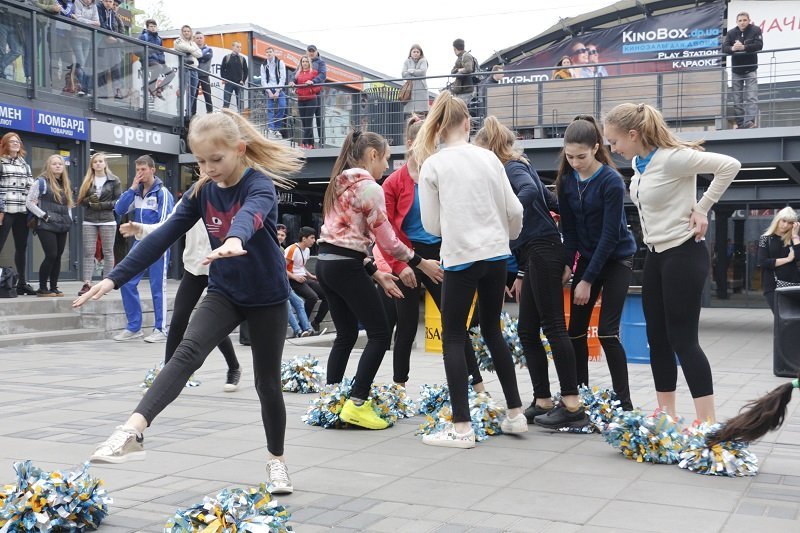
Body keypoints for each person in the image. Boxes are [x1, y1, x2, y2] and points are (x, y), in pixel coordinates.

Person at [73, 109, 303, 495]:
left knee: (267, 384)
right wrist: (114, 277)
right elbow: (161, 237)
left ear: (239, 149)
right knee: (185, 352)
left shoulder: (258, 185)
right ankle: (132, 431)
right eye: (200, 161)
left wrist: (234, 239)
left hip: (267, 298)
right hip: (225, 291)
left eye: (216, 159)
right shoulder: (201, 193)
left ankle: (277, 462)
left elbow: (250, 215)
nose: (209, 168)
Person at [603, 103, 740, 423]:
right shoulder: (639, 162)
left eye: (615, 141)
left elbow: (730, 165)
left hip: (683, 253)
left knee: (683, 339)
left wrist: (703, 207)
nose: (613, 148)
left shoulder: (674, 157)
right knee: (657, 338)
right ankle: (667, 415)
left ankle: (706, 422)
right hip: (655, 255)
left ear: (633, 134)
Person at [414, 92, 527, 448]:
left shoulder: (432, 165)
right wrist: (503, 238)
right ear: (467, 124)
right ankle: (515, 413)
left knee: (454, 335)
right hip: (496, 255)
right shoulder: (490, 158)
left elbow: (431, 225)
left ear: (438, 126)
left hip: (460, 256)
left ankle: (462, 427)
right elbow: (515, 210)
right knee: (493, 329)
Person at [317, 130, 442, 430]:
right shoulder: (370, 188)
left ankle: (330, 400)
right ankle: (358, 402)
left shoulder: (338, 183)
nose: (386, 166)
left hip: (325, 264)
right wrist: (420, 262)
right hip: (347, 267)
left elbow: (342, 239)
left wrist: (376, 272)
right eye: (385, 158)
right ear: (372, 155)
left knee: (346, 335)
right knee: (380, 334)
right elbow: (388, 241)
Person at [474, 116, 587, 430]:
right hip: (532, 252)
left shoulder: (512, 168)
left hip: (542, 249)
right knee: (527, 330)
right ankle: (542, 400)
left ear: (488, 150)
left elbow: (529, 194)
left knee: (553, 326)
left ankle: (572, 404)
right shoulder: (517, 167)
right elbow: (549, 200)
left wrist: (504, 216)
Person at [381, 115, 485, 390]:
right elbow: (385, 231)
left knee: (454, 324)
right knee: (404, 327)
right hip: (407, 255)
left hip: (440, 255)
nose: (432, 149)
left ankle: (478, 387)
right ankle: (398, 388)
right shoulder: (393, 183)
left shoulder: (440, 175)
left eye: (435, 143)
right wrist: (401, 265)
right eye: (427, 143)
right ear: (411, 143)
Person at [554, 116, 636, 411]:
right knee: (574, 331)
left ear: (596, 148)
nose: (575, 162)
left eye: (582, 156)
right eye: (570, 156)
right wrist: (568, 265)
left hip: (616, 259)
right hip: (588, 258)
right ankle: (580, 398)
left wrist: (586, 280)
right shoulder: (566, 181)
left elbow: (609, 236)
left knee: (606, 333)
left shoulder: (611, 181)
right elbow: (571, 232)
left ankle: (624, 404)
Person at [119, 199, 243, 392]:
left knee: (212, 324)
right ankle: (166, 379)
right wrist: (141, 228)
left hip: (218, 269)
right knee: (178, 320)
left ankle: (234, 367)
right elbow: (168, 226)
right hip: (193, 268)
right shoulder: (192, 198)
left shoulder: (226, 199)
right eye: (202, 168)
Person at [113, 155, 174, 343]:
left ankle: (160, 329)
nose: (140, 173)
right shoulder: (137, 192)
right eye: (137, 170)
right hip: (139, 244)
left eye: (143, 170)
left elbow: (166, 223)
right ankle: (134, 327)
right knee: (126, 281)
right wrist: (131, 189)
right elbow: (120, 209)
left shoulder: (162, 193)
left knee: (157, 287)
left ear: (153, 170)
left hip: (158, 244)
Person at [25, 154, 73, 297]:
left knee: (58, 256)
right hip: (45, 224)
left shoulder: (65, 183)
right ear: (48, 166)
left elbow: (68, 204)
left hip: (62, 224)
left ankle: (53, 287)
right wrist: (44, 216)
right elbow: (29, 202)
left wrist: (69, 219)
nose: (58, 166)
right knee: (51, 254)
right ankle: (42, 288)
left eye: (60, 164)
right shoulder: (41, 182)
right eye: (54, 164)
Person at [76, 152, 121, 296]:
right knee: (88, 252)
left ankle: (105, 283)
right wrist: (90, 200)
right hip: (90, 219)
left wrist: (101, 205)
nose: (98, 164)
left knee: (108, 251)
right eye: (95, 162)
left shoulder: (114, 180)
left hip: (108, 219)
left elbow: (118, 202)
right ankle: (87, 283)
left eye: (101, 161)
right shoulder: (88, 180)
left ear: (105, 163)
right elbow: (80, 200)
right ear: (92, 165)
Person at [0, 132, 36, 296]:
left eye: (18, 141)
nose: (16, 143)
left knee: (22, 247)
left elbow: (30, 186)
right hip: (5, 210)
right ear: (5, 144)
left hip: (22, 210)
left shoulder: (24, 165)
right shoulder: (1, 162)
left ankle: (21, 283)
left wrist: (34, 204)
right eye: (12, 141)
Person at [722, 12, 763, 129]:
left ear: (749, 20)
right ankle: (741, 124)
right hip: (736, 71)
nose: (742, 22)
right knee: (737, 99)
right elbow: (724, 48)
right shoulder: (731, 33)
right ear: (737, 22)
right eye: (740, 20)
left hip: (751, 69)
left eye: (744, 20)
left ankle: (749, 122)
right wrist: (733, 48)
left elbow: (759, 45)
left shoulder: (755, 30)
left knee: (751, 97)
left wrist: (744, 47)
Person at [757, 207, 800, 313]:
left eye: (789, 223)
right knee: (780, 316)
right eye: (783, 221)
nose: (785, 225)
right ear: (778, 220)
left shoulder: (795, 239)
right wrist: (788, 259)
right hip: (773, 285)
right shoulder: (765, 238)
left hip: (794, 284)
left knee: (793, 319)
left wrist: (795, 236)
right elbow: (762, 262)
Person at [285, 226, 328, 332]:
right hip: (291, 280)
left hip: (303, 278)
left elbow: (301, 266)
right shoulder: (292, 249)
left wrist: (311, 276)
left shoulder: (307, 250)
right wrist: (295, 276)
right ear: (304, 238)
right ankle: (303, 325)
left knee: (327, 296)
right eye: (312, 238)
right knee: (312, 297)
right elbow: (281, 268)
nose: (314, 241)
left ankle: (316, 322)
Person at [139, 19, 174, 101]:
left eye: (154, 26)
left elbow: (161, 52)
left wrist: (163, 61)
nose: (153, 28)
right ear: (147, 28)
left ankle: (159, 90)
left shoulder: (159, 39)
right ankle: (151, 86)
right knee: (158, 67)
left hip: (158, 61)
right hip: (148, 60)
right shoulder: (143, 37)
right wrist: (146, 56)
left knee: (171, 73)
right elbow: (137, 50)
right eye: (151, 26)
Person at [70, 0, 99, 96]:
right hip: (76, 36)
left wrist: (83, 20)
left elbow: (98, 23)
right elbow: (77, 18)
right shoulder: (77, 2)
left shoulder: (94, 6)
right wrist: (91, 22)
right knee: (81, 62)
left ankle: (84, 88)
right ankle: (83, 88)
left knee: (84, 64)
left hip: (88, 37)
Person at [96, 0, 124, 100]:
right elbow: (101, 25)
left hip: (114, 45)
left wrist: (116, 40)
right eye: (114, 4)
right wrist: (107, 36)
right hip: (102, 43)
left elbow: (122, 34)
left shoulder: (117, 18)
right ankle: (102, 92)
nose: (114, 6)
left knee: (116, 67)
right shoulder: (102, 10)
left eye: (116, 5)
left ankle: (117, 90)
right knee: (102, 68)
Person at [173, 25, 202, 117]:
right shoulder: (178, 40)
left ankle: (188, 113)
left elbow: (200, 54)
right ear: (182, 32)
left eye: (188, 31)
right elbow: (178, 46)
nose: (186, 33)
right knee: (181, 91)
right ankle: (179, 113)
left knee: (193, 93)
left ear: (190, 33)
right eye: (184, 31)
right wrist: (192, 50)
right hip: (184, 68)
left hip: (194, 69)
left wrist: (189, 50)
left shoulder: (193, 43)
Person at [260, 46, 287, 140]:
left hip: (279, 88)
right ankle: (271, 128)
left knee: (282, 106)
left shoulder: (280, 63)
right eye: (267, 52)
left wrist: (278, 90)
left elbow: (283, 77)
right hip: (269, 88)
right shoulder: (263, 65)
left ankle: (277, 128)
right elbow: (263, 80)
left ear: (274, 53)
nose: (269, 53)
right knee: (270, 108)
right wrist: (269, 91)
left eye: (270, 52)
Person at [293, 56, 320, 149]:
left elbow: (319, 86)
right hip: (301, 100)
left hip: (311, 100)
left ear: (309, 63)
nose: (304, 63)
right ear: (301, 63)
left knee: (308, 121)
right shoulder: (298, 73)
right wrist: (296, 90)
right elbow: (294, 83)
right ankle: (311, 144)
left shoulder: (314, 72)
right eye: (303, 61)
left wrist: (312, 89)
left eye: (306, 61)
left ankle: (304, 143)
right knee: (304, 122)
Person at [304, 45, 327, 147]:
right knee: (308, 119)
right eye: (310, 51)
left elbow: (323, 75)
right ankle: (311, 143)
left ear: (317, 51)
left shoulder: (321, 62)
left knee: (319, 118)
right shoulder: (304, 62)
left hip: (317, 94)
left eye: (313, 51)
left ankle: (322, 142)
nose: (311, 53)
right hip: (307, 94)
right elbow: (296, 73)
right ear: (307, 52)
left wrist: (313, 81)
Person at [401, 44, 429, 116]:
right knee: (409, 115)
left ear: (420, 53)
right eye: (414, 52)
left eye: (417, 52)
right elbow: (404, 74)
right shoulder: (407, 61)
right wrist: (416, 73)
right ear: (410, 52)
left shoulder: (423, 61)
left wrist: (411, 71)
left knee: (421, 113)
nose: (416, 53)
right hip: (409, 90)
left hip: (421, 90)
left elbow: (422, 72)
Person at [221, 41, 248, 113]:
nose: (239, 48)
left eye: (240, 47)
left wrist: (243, 80)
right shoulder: (227, 57)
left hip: (239, 84)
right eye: (237, 46)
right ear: (232, 47)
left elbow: (246, 71)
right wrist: (224, 78)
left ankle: (240, 119)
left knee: (240, 103)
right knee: (226, 103)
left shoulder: (242, 59)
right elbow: (222, 69)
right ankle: (224, 118)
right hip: (228, 83)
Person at [449, 38, 477, 105]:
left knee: (460, 111)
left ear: (455, 48)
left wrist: (459, 70)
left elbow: (469, 69)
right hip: (462, 90)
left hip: (466, 90)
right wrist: (459, 70)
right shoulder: (460, 57)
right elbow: (452, 72)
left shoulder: (466, 56)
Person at [192, 32, 214, 115]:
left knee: (207, 96)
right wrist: (200, 58)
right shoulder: (192, 49)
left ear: (204, 39)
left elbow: (206, 58)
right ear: (194, 39)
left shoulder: (209, 50)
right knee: (193, 96)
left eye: (201, 38)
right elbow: (200, 59)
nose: (199, 39)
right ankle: (192, 114)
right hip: (194, 75)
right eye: (197, 38)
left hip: (204, 75)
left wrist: (196, 57)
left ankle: (210, 114)